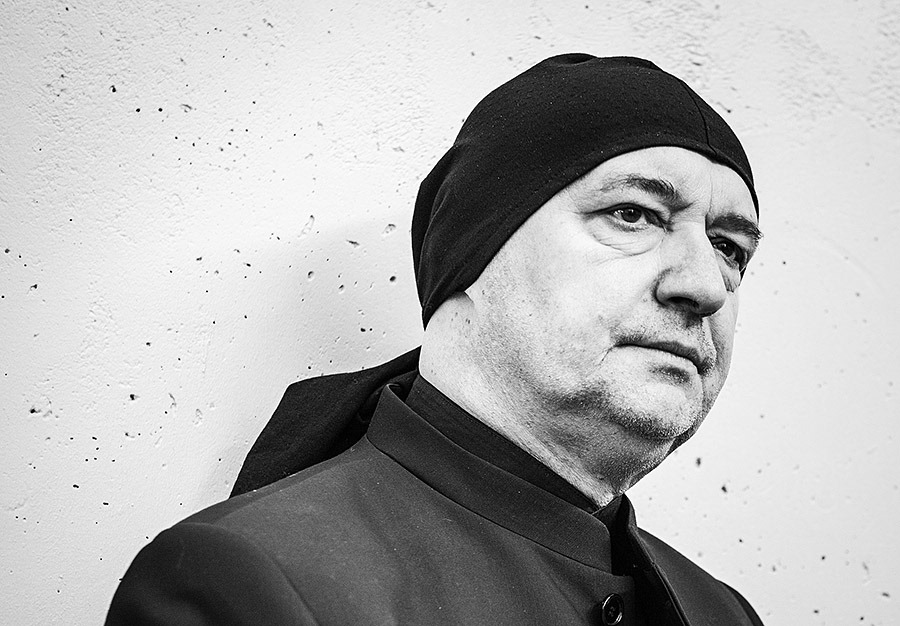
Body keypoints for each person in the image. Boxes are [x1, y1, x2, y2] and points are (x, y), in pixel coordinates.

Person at [107, 54, 764, 625]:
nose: (706, 285)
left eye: (730, 247)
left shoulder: (722, 612)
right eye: (633, 214)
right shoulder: (250, 579)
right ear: (471, 253)